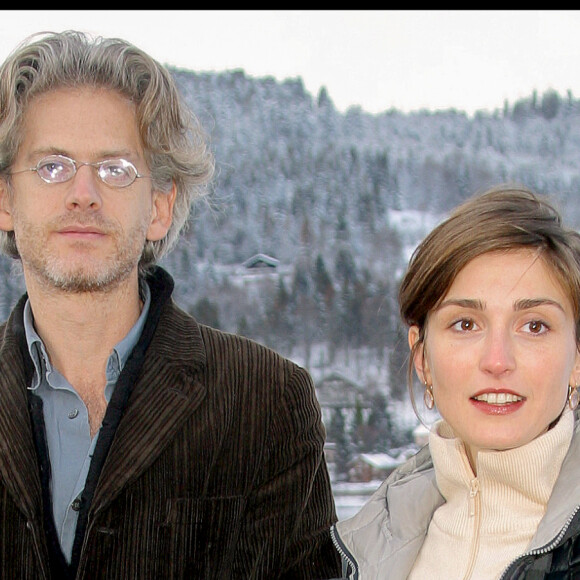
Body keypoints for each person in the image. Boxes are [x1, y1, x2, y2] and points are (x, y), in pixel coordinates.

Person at [0, 30, 342, 579]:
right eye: (52, 166)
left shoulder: (266, 401)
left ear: (159, 206)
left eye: (114, 169)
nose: (82, 193)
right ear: (6, 200)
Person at [331, 184, 580, 579]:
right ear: (422, 358)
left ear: (576, 357)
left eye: (534, 326)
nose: (498, 360)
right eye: (465, 324)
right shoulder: (363, 548)